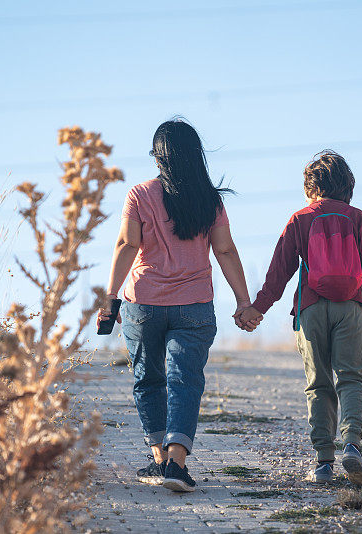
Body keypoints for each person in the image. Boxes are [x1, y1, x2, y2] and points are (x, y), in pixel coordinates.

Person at [98, 119, 251, 492]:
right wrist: (243, 301)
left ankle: (158, 459)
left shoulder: (139, 195)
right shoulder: (208, 200)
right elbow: (225, 250)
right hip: (194, 305)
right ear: (194, 156)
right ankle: (175, 464)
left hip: (143, 304)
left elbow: (126, 246)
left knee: (148, 379)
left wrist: (110, 297)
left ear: (157, 158)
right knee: (185, 381)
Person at [235, 150, 362, 486]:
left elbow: (279, 271)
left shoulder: (300, 218)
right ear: (347, 185)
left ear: (311, 187)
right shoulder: (358, 218)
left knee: (319, 383)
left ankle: (323, 464)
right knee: (351, 378)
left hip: (311, 307)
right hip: (352, 308)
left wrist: (256, 308)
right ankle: (352, 446)